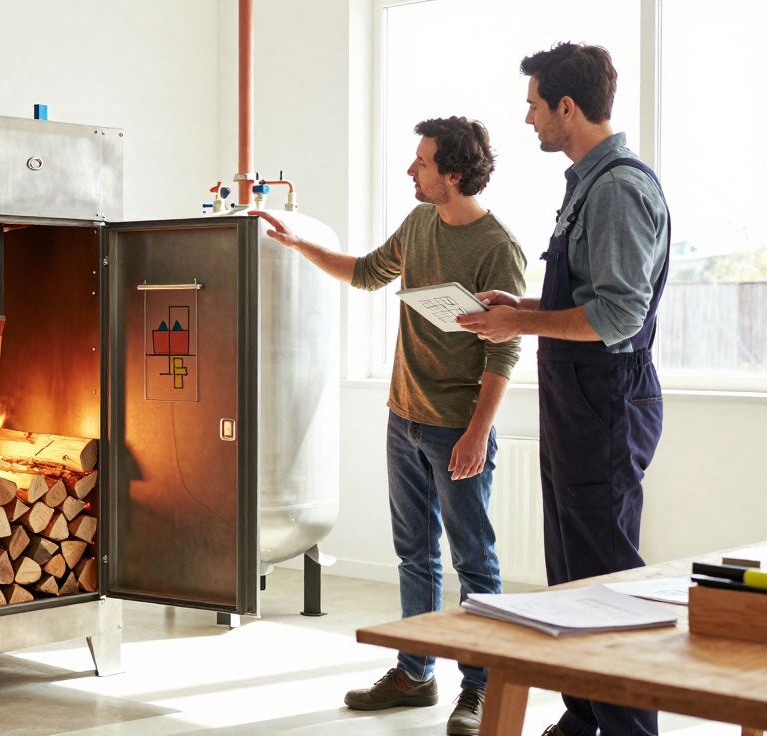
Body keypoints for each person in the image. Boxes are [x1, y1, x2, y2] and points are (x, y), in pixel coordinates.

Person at [253, 116, 526, 736]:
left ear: (452, 174)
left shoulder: (498, 248)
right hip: (404, 417)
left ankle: (482, 687)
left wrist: (477, 433)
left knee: (475, 560)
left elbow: (504, 351)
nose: (411, 170)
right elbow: (367, 271)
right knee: (415, 555)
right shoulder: (420, 223)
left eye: (422, 163)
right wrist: (298, 244)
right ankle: (415, 673)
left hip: (457, 427)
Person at [456, 43, 670, 736]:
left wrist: (521, 321)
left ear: (567, 108)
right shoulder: (587, 184)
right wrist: (519, 303)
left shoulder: (618, 189)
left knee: (606, 582)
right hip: (577, 402)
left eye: (534, 105)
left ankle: (629, 729)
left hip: (606, 403)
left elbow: (616, 316)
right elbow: (586, 295)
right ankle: (584, 719)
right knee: (574, 576)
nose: (528, 119)